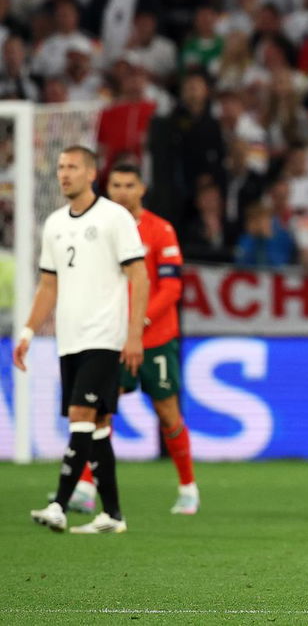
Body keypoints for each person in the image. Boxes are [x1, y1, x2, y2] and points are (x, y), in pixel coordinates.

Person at [18, 146, 148, 535]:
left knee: (80, 416)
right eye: (60, 167)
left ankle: (59, 504)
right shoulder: (55, 223)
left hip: (104, 336)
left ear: (91, 173)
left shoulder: (114, 218)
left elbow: (138, 276)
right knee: (99, 426)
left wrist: (134, 335)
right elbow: (48, 285)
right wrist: (27, 330)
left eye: (72, 167)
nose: (64, 174)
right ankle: (112, 515)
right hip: (69, 339)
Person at [67, 164, 199, 517]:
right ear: (106, 187)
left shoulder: (160, 230)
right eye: (116, 184)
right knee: (99, 412)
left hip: (155, 337)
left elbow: (171, 287)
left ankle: (188, 488)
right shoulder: (97, 229)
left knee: (167, 412)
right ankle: (84, 487)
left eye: (129, 185)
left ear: (142, 189)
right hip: (112, 337)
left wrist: (137, 323)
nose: (122, 191)